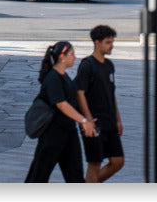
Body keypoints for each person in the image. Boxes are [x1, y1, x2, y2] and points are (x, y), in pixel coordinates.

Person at [25, 41, 96, 183]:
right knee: (38, 177)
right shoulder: (53, 78)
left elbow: (71, 102)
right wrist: (82, 121)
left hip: (69, 134)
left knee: (75, 177)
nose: (75, 57)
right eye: (72, 54)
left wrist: (85, 120)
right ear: (62, 56)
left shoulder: (64, 76)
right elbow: (62, 105)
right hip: (52, 135)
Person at [74, 25, 124, 183]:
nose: (112, 45)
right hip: (94, 123)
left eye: (112, 42)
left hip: (109, 122)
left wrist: (118, 119)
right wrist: (87, 120)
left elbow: (111, 93)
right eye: (108, 42)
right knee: (94, 163)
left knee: (118, 161)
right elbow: (80, 93)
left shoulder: (109, 66)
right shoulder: (87, 65)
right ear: (97, 43)